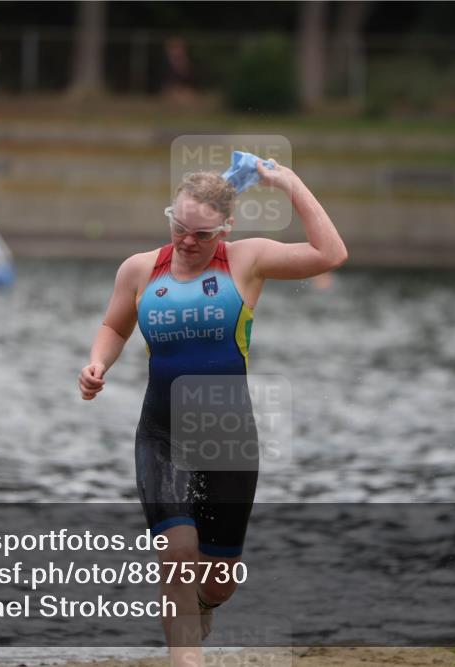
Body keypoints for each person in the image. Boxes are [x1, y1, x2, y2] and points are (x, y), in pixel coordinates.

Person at [78, 160, 347, 665]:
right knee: (176, 554)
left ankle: (203, 604)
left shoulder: (246, 261)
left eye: (200, 234)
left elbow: (331, 253)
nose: (186, 241)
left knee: (217, 582)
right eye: (178, 227)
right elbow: (114, 328)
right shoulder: (140, 270)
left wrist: (290, 184)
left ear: (225, 228)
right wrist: (96, 363)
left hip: (227, 436)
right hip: (162, 433)